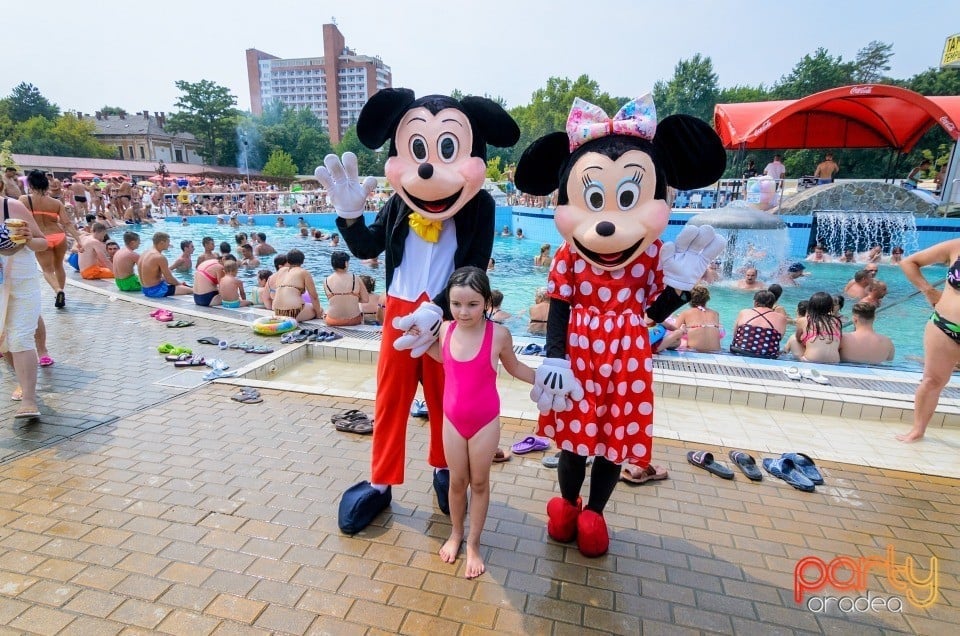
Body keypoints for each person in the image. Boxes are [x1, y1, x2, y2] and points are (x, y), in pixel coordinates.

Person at [408, 267, 534, 579]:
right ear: (448, 303)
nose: (464, 312)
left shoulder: (499, 335)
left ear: (487, 302)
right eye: (457, 304)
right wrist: (419, 339)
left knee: (478, 483)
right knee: (455, 482)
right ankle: (455, 534)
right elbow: (444, 357)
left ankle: (474, 544)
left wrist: (547, 380)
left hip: (484, 422)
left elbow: (516, 368)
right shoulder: (446, 330)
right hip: (452, 420)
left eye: (473, 304)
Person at [896, 238, 960, 441]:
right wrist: (929, 290)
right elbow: (909, 263)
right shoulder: (956, 246)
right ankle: (918, 430)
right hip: (945, 325)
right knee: (932, 380)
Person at [1, 193, 49, 418]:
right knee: (4, 341)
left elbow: (43, 242)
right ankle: (23, 381)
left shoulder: (11, 207)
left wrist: (29, 238)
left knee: (20, 337)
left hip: (22, 284)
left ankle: (29, 399)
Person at [19, 170, 84, 308]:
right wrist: (79, 241)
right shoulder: (56, 203)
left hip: (42, 238)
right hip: (59, 236)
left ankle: (58, 290)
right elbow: (67, 223)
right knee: (59, 266)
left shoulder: (24, 200)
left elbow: (18, 220)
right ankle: (60, 292)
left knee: (47, 270)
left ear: (30, 184)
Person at [657, 285, 724, 352]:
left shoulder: (686, 313)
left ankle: (656, 348)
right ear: (706, 299)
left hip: (694, 350)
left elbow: (673, 331)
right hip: (716, 350)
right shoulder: (715, 313)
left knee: (677, 339)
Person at [729, 289, 787, 359]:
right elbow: (778, 338)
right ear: (772, 304)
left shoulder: (744, 312)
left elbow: (735, 334)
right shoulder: (782, 318)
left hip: (740, 351)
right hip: (768, 355)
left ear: (755, 303)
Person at [273, 249, 323, 321]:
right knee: (320, 310)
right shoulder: (304, 272)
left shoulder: (281, 271)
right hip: (294, 312)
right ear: (302, 261)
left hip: (277, 311)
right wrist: (318, 314)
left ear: (288, 260)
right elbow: (314, 296)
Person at [793, 291, 842, 363]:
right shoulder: (836, 321)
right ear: (830, 307)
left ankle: (784, 352)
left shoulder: (803, 320)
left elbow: (798, 338)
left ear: (811, 306)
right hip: (834, 362)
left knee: (792, 339)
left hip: (810, 360)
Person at [138, 232, 192, 298]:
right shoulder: (159, 257)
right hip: (156, 291)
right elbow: (169, 279)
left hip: (145, 289)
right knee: (191, 290)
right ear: (162, 243)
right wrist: (180, 284)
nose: (169, 244)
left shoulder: (145, 253)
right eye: (168, 242)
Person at [323, 251, 367, 326]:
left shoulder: (326, 280)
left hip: (332, 320)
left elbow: (331, 300)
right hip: (354, 320)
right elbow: (365, 299)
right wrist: (353, 297)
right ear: (346, 263)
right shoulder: (355, 278)